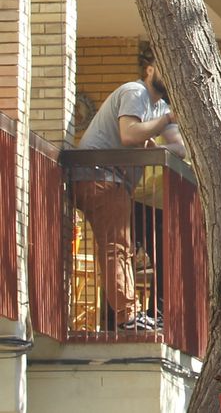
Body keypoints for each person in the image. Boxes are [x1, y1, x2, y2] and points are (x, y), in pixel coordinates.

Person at [74, 49, 184, 331]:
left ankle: (128, 315)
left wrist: (159, 137)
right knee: (117, 249)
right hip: (99, 175)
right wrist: (166, 121)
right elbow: (129, 133)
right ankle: (127, 317)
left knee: (120, 249)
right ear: (149, 70)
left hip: (115, 181)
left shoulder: (159, 107)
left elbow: (179, 150)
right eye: (165, 65)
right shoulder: (135, 92)